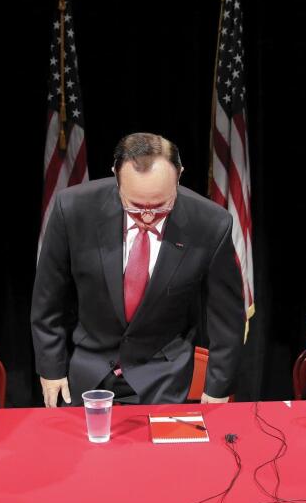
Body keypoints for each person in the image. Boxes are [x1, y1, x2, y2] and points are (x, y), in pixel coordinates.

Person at [31, 132, 245, 406]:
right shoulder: (72, 209)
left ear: (179, 174)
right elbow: (48, 300)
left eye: (160, 206)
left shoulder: (211, 224)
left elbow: (226, 318)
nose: (147, 217)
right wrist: (51, 367)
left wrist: (217, 388)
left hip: (163, 376)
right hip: (85, 371)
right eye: (134, 206)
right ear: (115, 176)